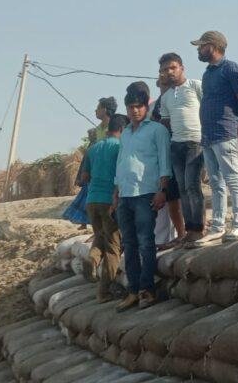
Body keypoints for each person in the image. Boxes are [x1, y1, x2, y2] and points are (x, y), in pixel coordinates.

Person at [112, 82, 171, 311]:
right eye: (130, 107)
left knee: (146, 242)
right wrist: (116, 191)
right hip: (125, 194)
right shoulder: (125, 133)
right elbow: (121, 163)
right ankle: (133, 291)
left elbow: (165, 162)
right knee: (129, 243)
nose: (134, 111)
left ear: (146, 106)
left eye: (138, 106)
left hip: (146, 192)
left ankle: (148, 290)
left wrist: (162, 190)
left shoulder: (157, 130)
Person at [191, 31, 238, 246]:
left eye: (201, 45)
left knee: (232, 178)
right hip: (208, 135)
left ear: (212, 47)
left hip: (226, 132)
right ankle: (217, 227)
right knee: (215, 182)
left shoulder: (230, 69)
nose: (198, 49)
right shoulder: (208, 73)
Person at [157, 53, 206, 247]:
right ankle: (189, 229)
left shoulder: (195, 85)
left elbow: (207, 108)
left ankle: (199, 228)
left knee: (193, 186)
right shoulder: (166, 97)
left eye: (172, 68)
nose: (168, 72)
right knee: (183, 189)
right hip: (176, 146)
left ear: (181, 68)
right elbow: (166, 123)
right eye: (164, 70)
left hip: (195, 141)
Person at [81, 114, 127, 302]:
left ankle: (91, 259)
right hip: (110, 200)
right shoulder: (121, 147)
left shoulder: (93, 148)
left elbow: (84, 177)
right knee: (113, 247)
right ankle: (103, 292)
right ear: (123, 130)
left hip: (92, 200)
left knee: (100, 236)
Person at [63, 97, 118, 227]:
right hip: (97, 167)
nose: (95, 111)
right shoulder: (99, 129)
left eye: (98, 108)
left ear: (104, 109)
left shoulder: (114, 126)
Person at [152, 68, 185, 248]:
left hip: (183, 147)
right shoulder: (158, 104)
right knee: (172, 196)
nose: (163, 85)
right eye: (161, 83)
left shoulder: (179, 97)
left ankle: (195, 230)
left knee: (189, 191)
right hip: (166, 154)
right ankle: (181, 233)